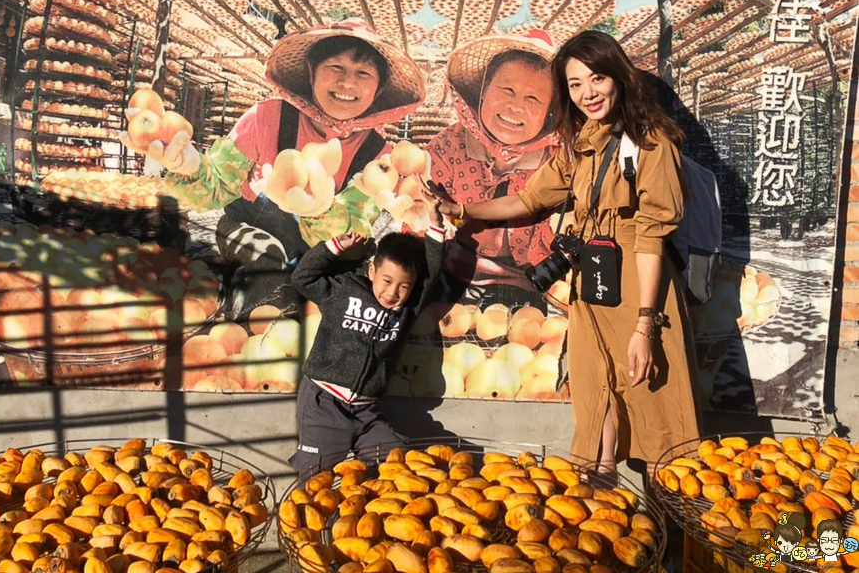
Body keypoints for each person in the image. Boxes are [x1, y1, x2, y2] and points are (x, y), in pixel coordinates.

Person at [438, 30, 701, 473]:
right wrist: (462, 209)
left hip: (639, 287)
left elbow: (652, 237)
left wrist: (645, 325)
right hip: (593, 285)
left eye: (596, 79)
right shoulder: (581, 144)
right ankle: (601, 495)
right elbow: (528, 200)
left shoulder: (652, 143)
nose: (587, 94)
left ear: (618, 76)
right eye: (575, 84)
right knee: (594, 390)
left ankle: (675, 524)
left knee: (653, 406)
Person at [124, 21, 425, 314]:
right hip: (249, 229)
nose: (348, 82)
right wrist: (188, 168)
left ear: (379, 89)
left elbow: (353, 230)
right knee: (265, 262)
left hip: (323, 249)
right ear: (311, 72)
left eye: (364, 73)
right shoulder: (266, 118)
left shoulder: (380, 156)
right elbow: (216, 191)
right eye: (336, 67)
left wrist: (319, 212)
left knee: (340, 292)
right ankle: (247, 333)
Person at [287, 198, 446, 476]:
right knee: (315, 481)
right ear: (372, 270)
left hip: (367, 412)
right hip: (325, 403)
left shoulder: (407, 309)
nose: (393, 292)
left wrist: (436, 223)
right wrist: (334, 247)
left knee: (398, 468)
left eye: (403, 286)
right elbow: (303, 278)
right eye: (387, 281)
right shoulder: (343, 291)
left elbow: (430, 273)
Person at [427, 29, 560, 300]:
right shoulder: (447, 146)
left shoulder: (558, 161)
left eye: (533, 99)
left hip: (531, 286)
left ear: (550, 112)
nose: (516, 107)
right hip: (449, 276)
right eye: (507, 90)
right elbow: (422, 224)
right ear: (483, 92)